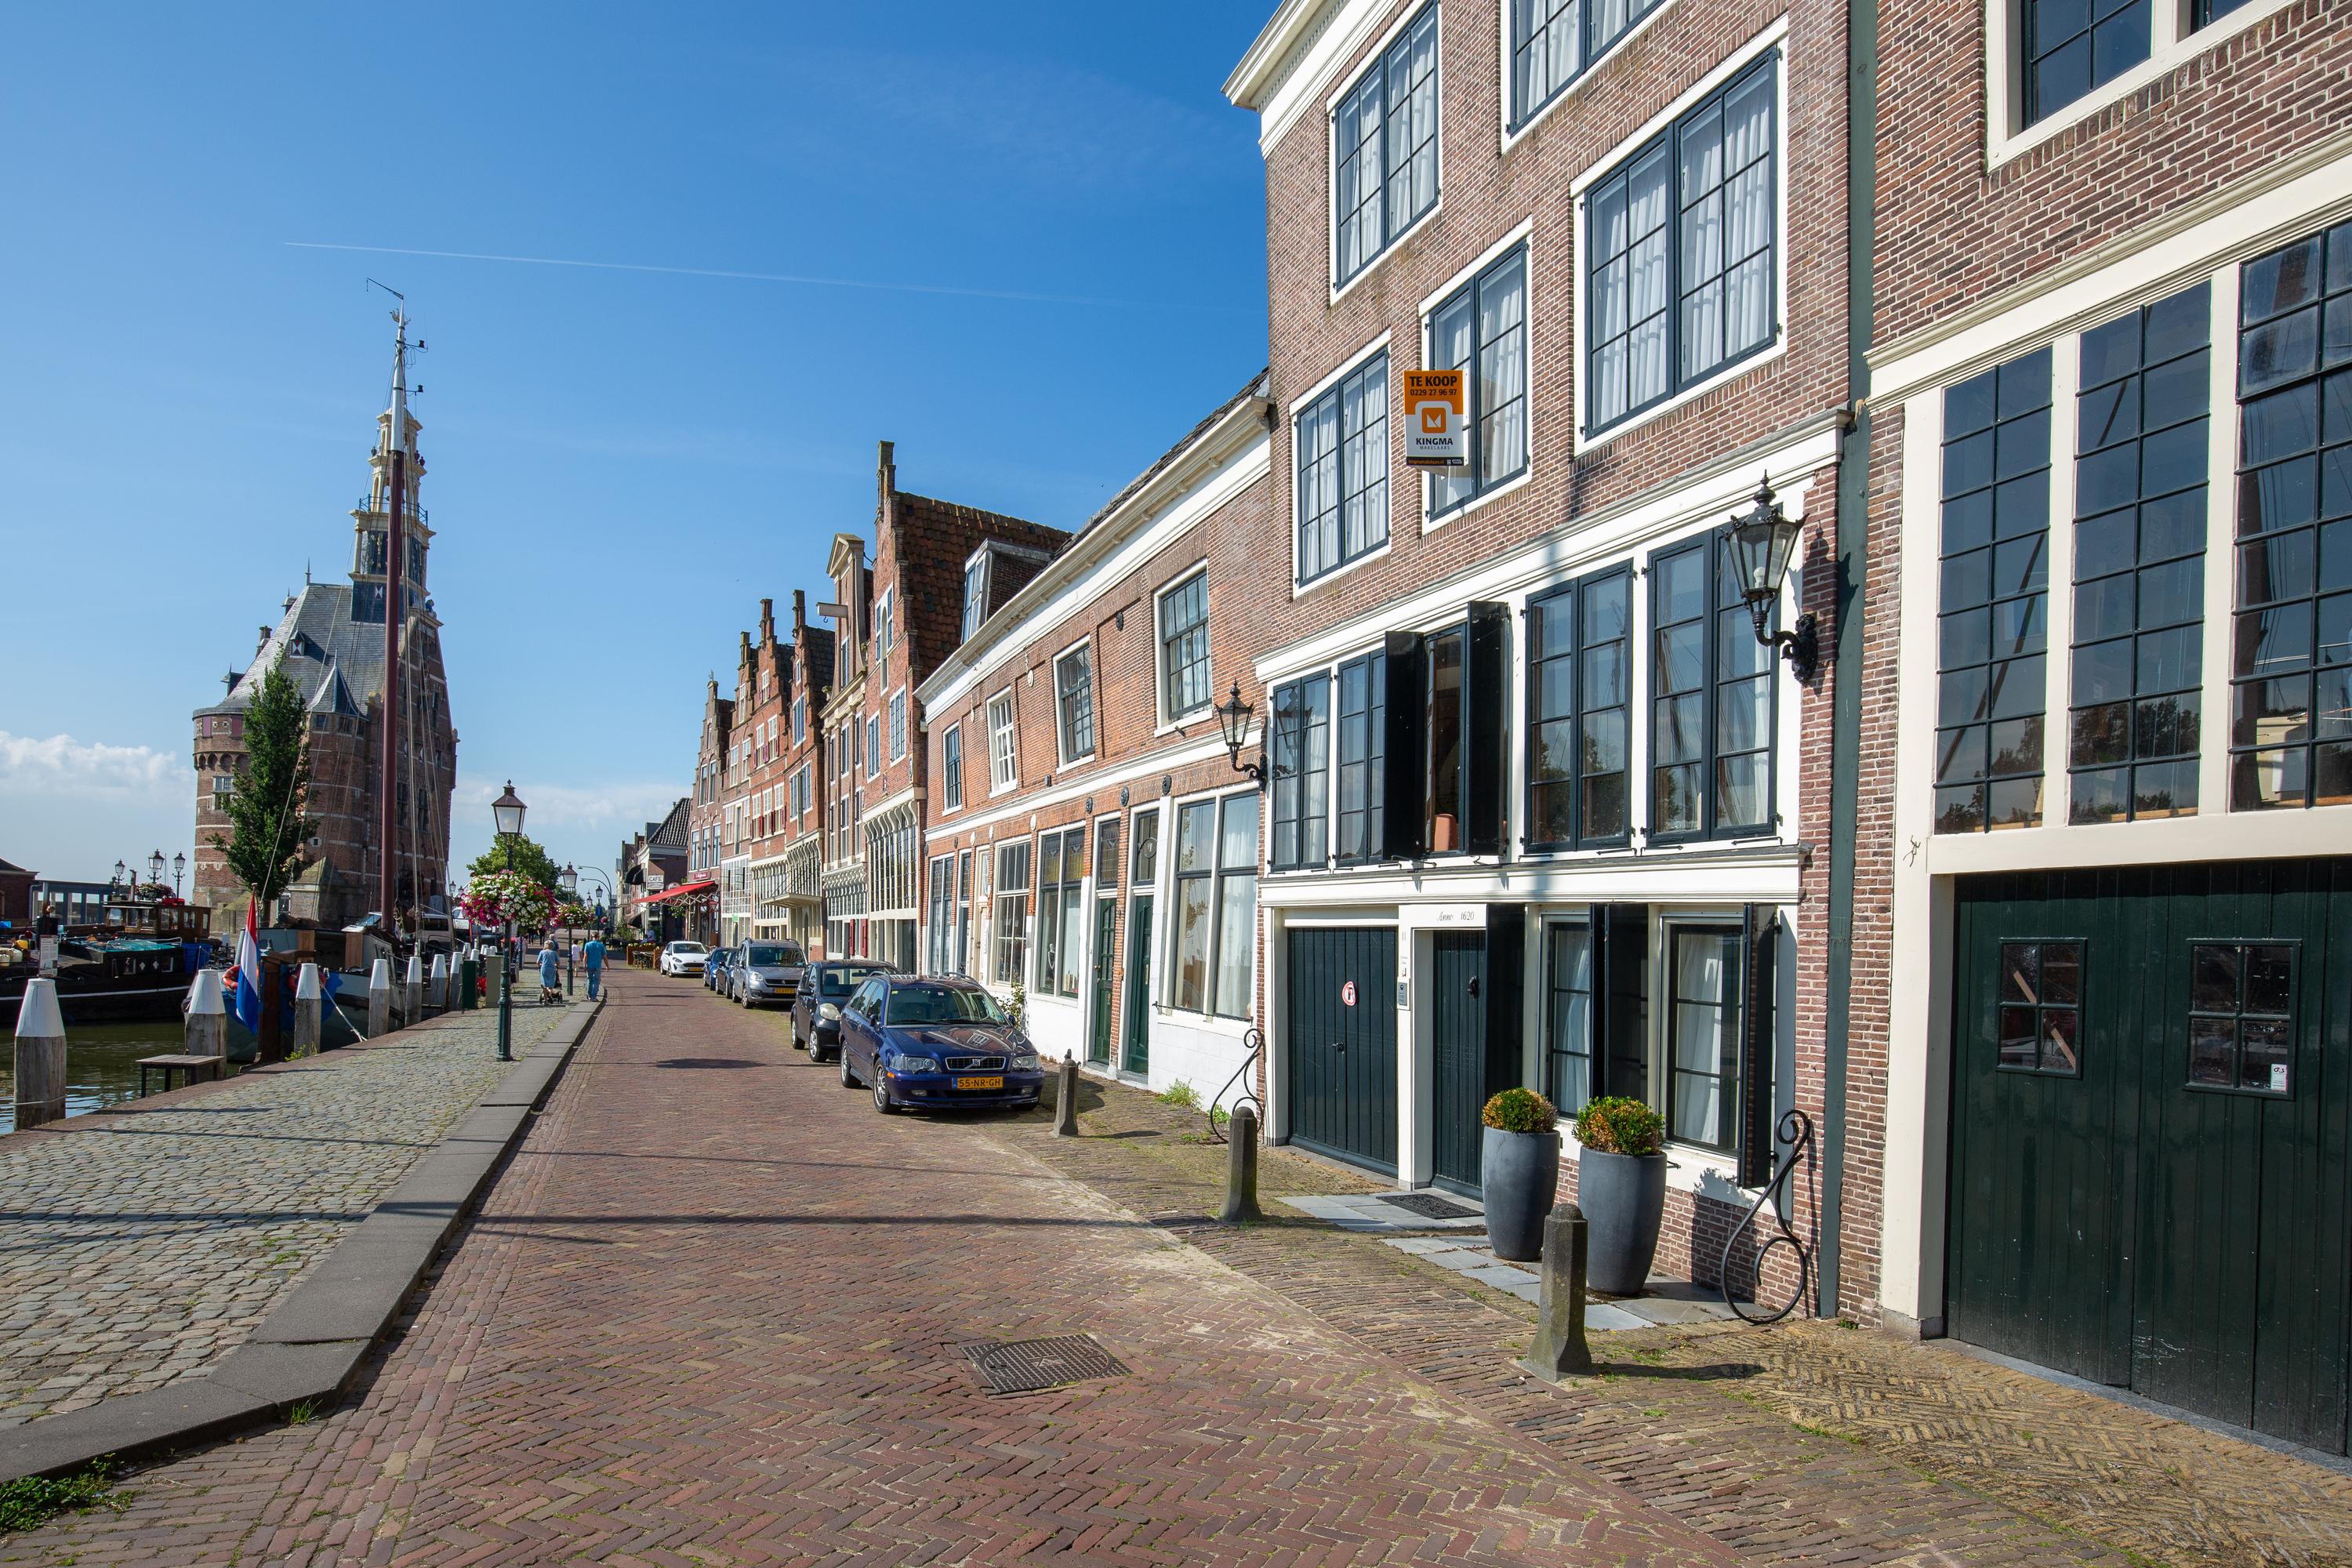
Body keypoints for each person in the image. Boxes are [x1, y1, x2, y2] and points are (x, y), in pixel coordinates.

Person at [584, 934, 605, 1000]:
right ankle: (594, 997)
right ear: (598, 937)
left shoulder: (587, 945)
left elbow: (585, 956)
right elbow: (605, 957)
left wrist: (584, 965)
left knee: (590, 980)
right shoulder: (601, 945)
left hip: (589, 966)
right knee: (596, 981)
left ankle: (589, 996)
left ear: (592, 937)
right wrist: (607, 966)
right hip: (597, 966)